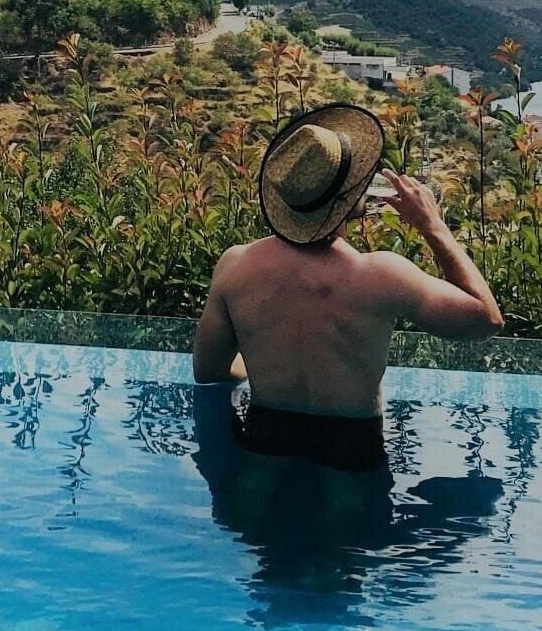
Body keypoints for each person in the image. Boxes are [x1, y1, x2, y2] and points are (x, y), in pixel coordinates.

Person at [191, 103, 503, 472]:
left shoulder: (235, 265)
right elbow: (485, 320)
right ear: (349, 197)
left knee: (252, 506)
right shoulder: (382, 275)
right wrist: (432, 225)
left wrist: (261, 361)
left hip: (265, 434)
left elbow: (208, 373)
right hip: (351, 441)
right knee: (348, 508)